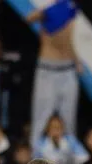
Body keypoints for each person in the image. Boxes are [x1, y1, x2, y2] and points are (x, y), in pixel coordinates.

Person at [28, 0, 80, 146]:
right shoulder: (49, 8)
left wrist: (76, 61)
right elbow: (29, 18)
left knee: (68, 120)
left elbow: (67, 39)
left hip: (68, 69)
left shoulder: (72, 7)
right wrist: (47, 13)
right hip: (47, 70)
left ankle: (69, 163)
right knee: (41, 117)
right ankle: (36, 160)